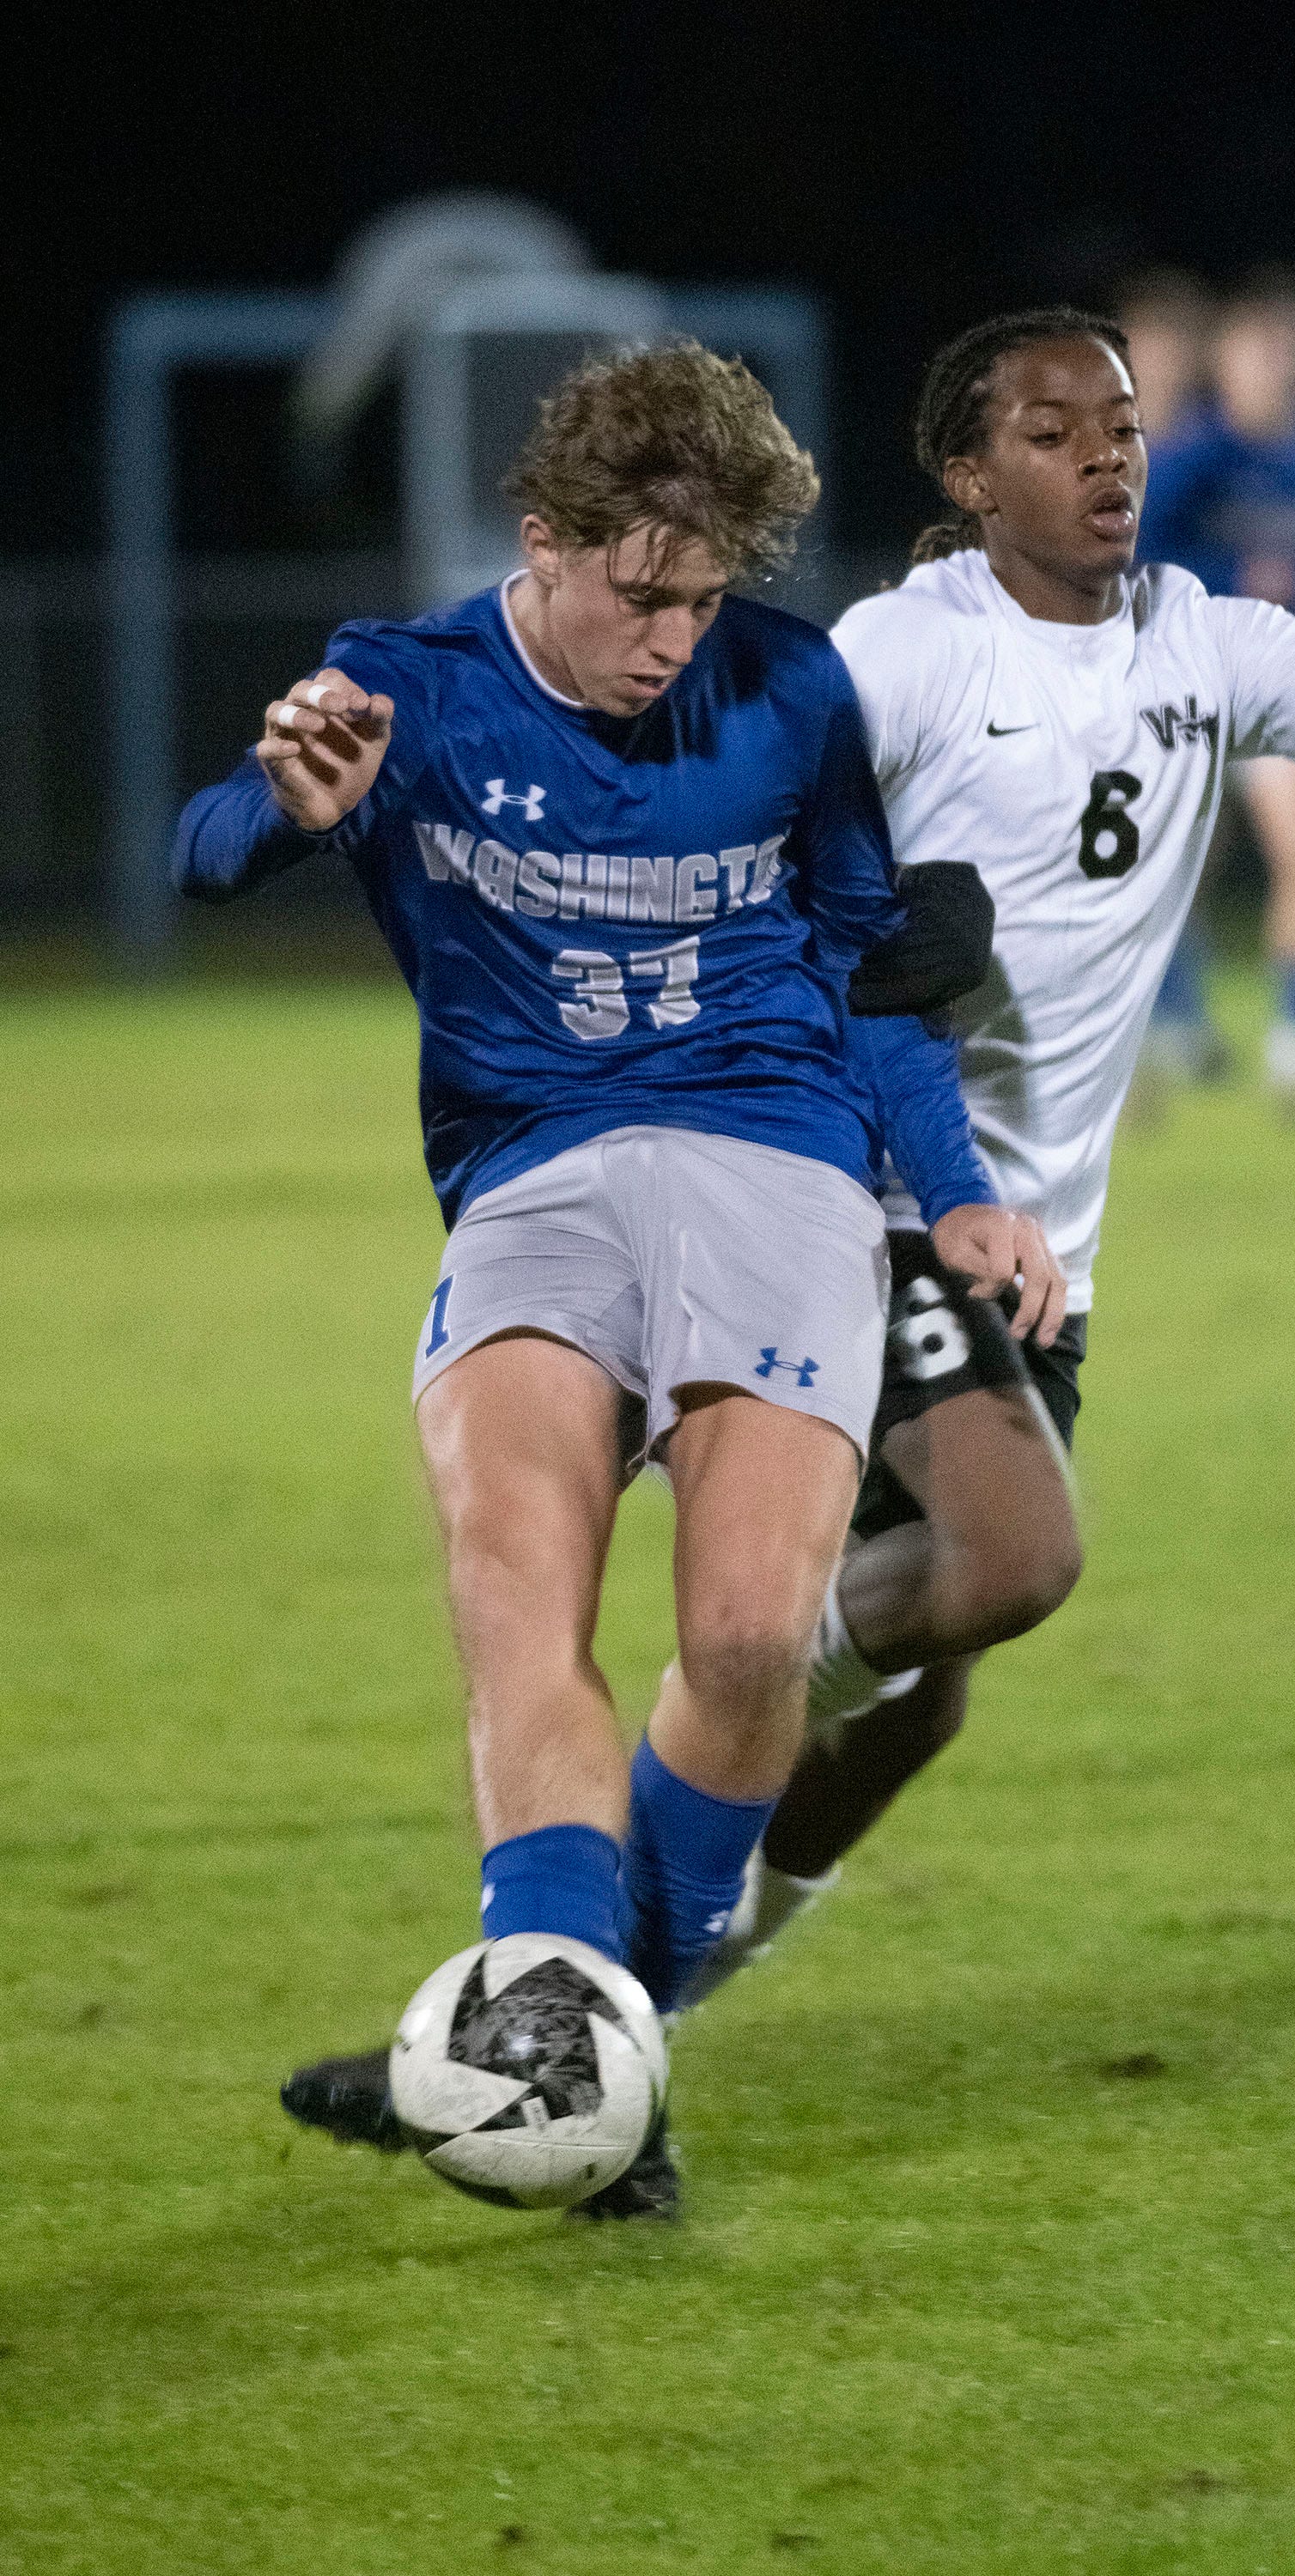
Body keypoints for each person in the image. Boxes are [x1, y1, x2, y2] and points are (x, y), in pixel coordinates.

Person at [171, 343, 1056, 2215]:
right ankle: (581, 2068)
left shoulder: (787, 690)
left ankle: (587, 2040)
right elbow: (203, 855)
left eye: (705, 596)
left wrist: (957, 1189)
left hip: (777, 1167)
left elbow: (864, 970)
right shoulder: (407, 684)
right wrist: (284, 805)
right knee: (517, 1605)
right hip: (531, 1182)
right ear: (544, 537)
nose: (671, 638)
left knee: (748, 1641)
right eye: (640, 592)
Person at [688, 305, 1295, 2002]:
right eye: (1053, 433)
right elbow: (737, 859)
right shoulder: (904, 653)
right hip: (858, 1198)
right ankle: (732, 1689)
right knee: (1009, 1559)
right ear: (968, 474)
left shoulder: (1207, 643)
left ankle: (649, 1984)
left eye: (1123, 426)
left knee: (927, 1704)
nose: (1105, 457)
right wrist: (849, 952)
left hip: (1036, 1243)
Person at [1133, 266, 1295, 1110]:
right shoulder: (1190, 456)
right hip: (1188, 692)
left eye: (1294, 351)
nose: (1281, 368)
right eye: (1262, 351)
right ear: (1224, 363)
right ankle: (1173, 1024)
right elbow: (1123, 566)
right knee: (1172, 877)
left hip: (1279, 694)